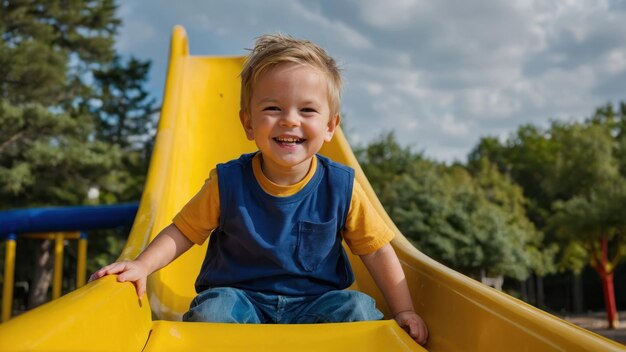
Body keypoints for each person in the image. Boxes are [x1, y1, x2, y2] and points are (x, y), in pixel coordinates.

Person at [89, 34, 428, 345]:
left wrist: (404, 310)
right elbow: (182, 231)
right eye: (273, 108)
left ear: (329, 126)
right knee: (212, 312)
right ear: (248, 123)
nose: (290, 120)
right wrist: (142, 266)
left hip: (315, 306)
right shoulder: (228, 182)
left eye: (307, 109)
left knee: (359, 309)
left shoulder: (341, 186)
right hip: (242, 301)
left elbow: (377, 250)